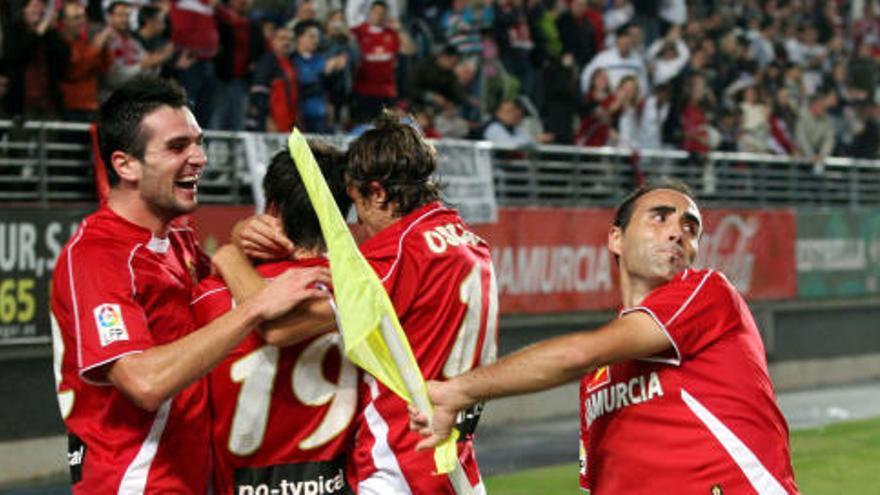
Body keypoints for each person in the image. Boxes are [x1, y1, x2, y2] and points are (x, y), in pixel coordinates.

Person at [410, 180, 799, 494]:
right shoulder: (597, 378)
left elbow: (576, 354)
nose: (678, 233)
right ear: (616, 238)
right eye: (659, 218)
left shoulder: (708, 293)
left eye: (689, 227)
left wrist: (458, 391)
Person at [50, 75, 329, 493]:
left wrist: (238, 243)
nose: (199, 157)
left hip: (189, 476)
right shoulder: (96, 256)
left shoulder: (177, 234)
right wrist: (256, 306)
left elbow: (213, 290)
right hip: (136, 482)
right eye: (178, 147)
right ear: (125, 165)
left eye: (198, 142)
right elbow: (144, 382)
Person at [233, 111, 498, 494]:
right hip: (455, 464)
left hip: (399, 464)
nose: (357, 223)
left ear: (378, 192)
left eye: (358, 204)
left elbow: (278, 327)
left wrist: (231, 255)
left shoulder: (399, 253)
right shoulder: (470, 242)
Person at [192, 141, 357, 494]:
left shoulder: (209, 296)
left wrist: (229, 251)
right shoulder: (366, 293)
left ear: (270, 207)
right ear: (344, 213)